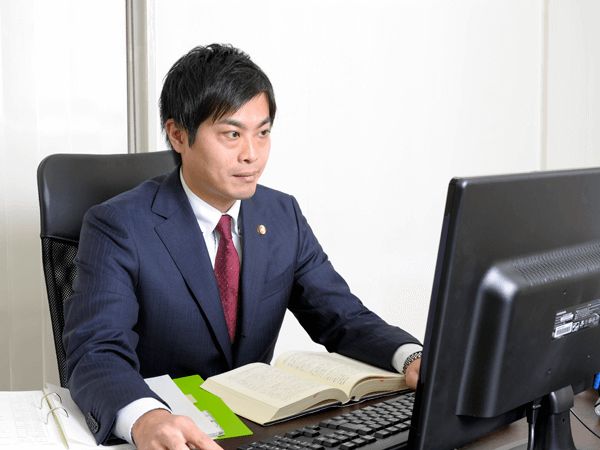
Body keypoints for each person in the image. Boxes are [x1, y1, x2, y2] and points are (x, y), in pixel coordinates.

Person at [63, 44, 422, 450]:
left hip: (261, 433)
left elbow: (342, 316)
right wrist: (147, 419)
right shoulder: (119, 225)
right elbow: (96, 349)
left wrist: (412, 357)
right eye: (232, 134)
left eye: (262, 133)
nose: (252, 155)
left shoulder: (282, 214)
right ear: (178, 135)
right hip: (173, 435)